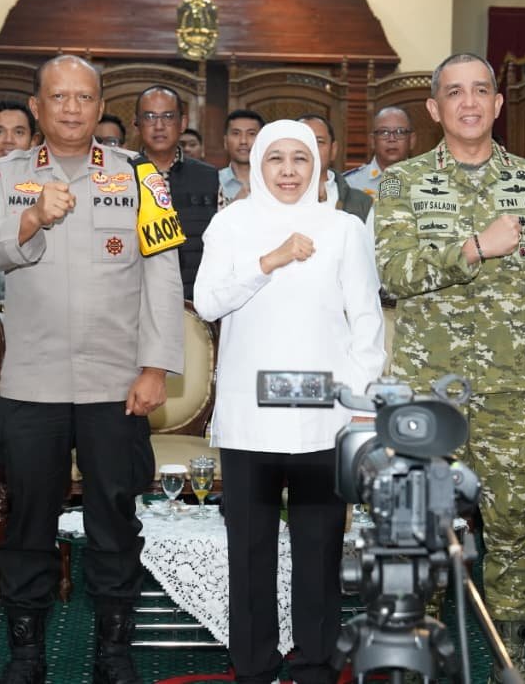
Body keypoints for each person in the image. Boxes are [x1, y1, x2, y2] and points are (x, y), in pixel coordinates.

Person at [0, 54, 184, 684]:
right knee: (28, 520)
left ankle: (114, 653)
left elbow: (163, 276)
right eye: (58, 97)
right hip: (33, 381)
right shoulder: (5, 175)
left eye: (83, 97)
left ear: (100, 106)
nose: (71, 108)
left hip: (117, 383)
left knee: (115, 520)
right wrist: (30, 218)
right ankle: (25, 654)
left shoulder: (138, 176)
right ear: (36, 107)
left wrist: (156, 367)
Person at [375, 53, 525, 684]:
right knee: (422, 526)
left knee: (514, 525)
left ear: (497, 104)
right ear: (434, 108)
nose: (468, 103)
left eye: (480, 91)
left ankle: (509, 653)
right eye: (454, 92)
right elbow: (393, 273)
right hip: (429, 390)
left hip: (513, 390)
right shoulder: (402, 183)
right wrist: (475, 247)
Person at [194, 119, 384, 684]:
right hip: (249, 416)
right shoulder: (231, 224)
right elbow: (206, 303)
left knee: (319, 549)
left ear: (318, 165)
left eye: (300, 158)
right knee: (249, 550)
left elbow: (367, 320)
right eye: (275, 158)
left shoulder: (344, 228)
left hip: (323, 417)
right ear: (256, 163)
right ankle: (253, 666)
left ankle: (314, 665)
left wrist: (361, 404)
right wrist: (268, 261)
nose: (288, 170)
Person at [135, 85, 219, 300]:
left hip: (196, 300)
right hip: (138, 299)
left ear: (182, 123)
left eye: (168, 117)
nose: (159, 126)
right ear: (137, 124)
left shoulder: (210, 177)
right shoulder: (121, 176)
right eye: (150, 117)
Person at [297, 113, 373, 223]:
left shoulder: (361, 203)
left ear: (333, 150)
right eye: (303, 141)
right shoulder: (276, 197)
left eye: (319, 142)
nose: (311, 148)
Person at [344, 106, 416, 199]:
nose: (392, 139)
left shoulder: (428, 181)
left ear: (412, 140)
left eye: (400, 132)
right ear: (372, 141)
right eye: (384, 132)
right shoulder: (349, 184)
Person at [220, 109, 264, 203]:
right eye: (236, 133)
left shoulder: (273, 181)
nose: (243, 141)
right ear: (225, 142)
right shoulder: (213, 182)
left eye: (251, 134)